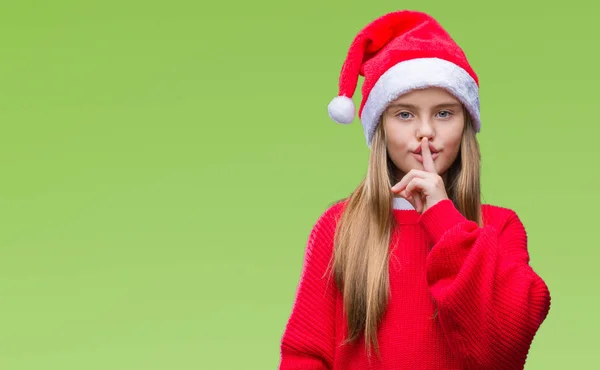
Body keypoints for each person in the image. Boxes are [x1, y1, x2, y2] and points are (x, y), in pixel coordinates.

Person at [278, 10, 551, 370]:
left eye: (444, 113)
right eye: (404, 114)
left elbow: (503, 351)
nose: (425, 132)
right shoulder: (339, 227)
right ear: (381, 129)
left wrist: (442, 218)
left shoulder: (500, 228)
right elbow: (305, 355)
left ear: (465, 125)